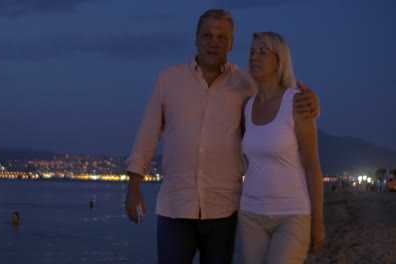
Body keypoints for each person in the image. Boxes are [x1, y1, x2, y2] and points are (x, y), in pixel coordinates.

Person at [125, 9, 320, 264]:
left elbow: (279, 100)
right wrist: (133, 187)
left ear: (231, 43)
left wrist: (312, 102)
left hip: (224, 208)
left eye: (221, 37)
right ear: (196, 38)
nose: (213, 42)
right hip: (175, 206)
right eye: (207, 35)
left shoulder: (247, 84)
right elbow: (147, 135)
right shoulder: (168, 79)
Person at [238, 32, 325, 264]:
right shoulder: (247, 107)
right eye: (252, 51)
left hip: (292, 214)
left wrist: (318, 222)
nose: (254, 57)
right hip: (250, 214)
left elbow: (312, 165)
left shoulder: (296, 103)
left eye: (263, 52)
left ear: (280, 60)